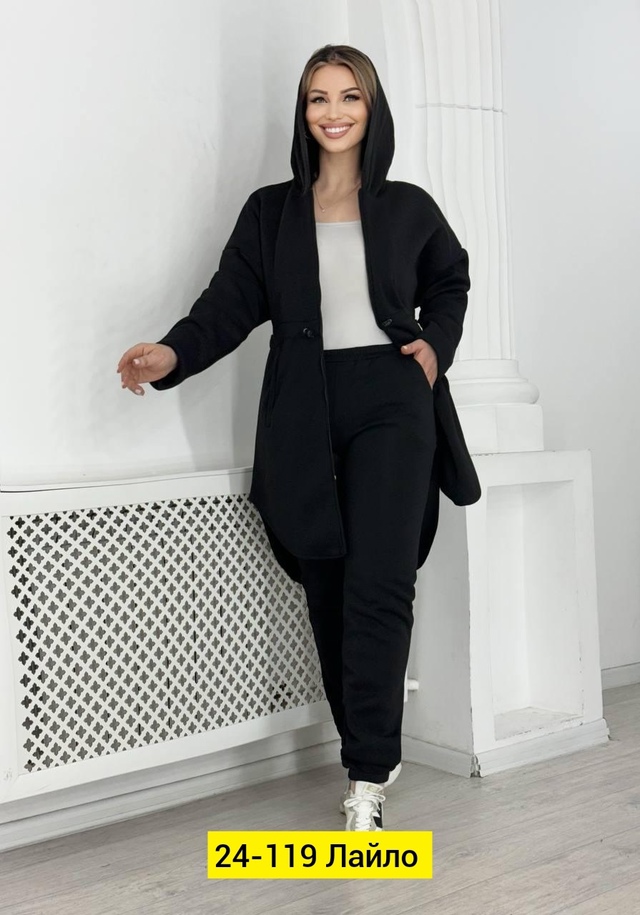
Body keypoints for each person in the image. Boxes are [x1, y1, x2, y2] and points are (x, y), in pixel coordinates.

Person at [117, 44, 480, 832]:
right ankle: (368, 744)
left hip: (392, 402)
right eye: (319, 97)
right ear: (303, 111)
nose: (333, 112)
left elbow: (450, 278)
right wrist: (171, 354)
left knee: (380, 581)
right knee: (328, 587)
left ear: (371, 109)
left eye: (350, 96)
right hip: (303, 407)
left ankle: (367, 777)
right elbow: (227, 303)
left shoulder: (408, 207)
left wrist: (435, 345)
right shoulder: (270, 213)